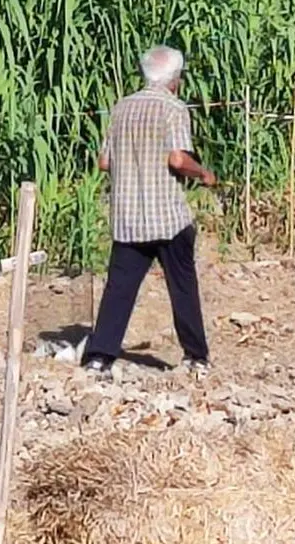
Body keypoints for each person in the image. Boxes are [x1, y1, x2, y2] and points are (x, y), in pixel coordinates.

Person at [81, 45, 215, 378]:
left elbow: (104, 162)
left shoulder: (122, 107)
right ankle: (196, 356)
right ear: (175, 79)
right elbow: (177, 160)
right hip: (167, 216)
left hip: (128, 215)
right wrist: (203, 174)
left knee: (119, 288)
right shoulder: (174, 108)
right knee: (182, 284)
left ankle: (99, 357)